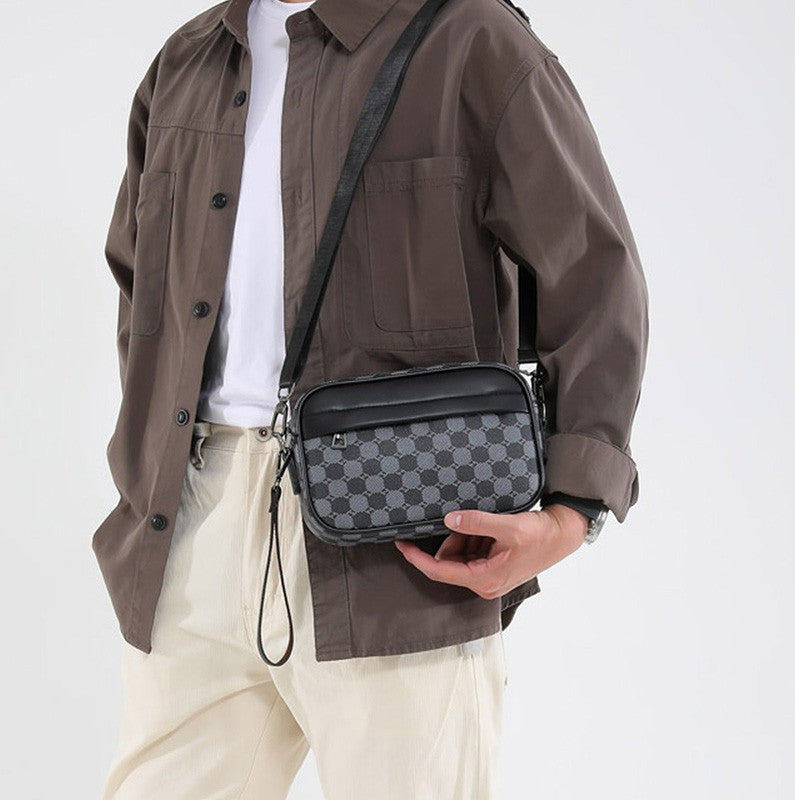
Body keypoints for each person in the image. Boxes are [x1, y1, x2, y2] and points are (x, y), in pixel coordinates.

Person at [93, 0, 649, 796]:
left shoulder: (470, 39)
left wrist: (572, 510)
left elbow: (595, 277)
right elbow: (141, 290)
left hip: (404, 539)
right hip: (192, 524)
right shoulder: (188, 61)